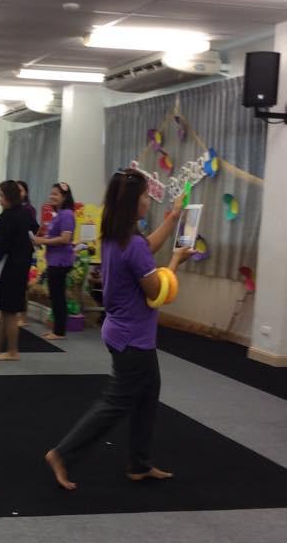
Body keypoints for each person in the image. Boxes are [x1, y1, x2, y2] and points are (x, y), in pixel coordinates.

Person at [45, 168, 191, 490]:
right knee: (117, 402)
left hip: (124, 332)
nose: (148, 201)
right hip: (131, 338)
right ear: (132, 201)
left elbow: (145, 248)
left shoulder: (116, 235)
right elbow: (157, 292)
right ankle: (62, 454)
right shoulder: (131, 242)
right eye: (145, 196)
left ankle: (139, 463)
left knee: (147, 394)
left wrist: (173, 217)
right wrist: (176, 261)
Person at [0, 181, 35, 361]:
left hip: (11, 267)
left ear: (9, 197)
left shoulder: (9, 216)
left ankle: (13, 351)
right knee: (6, 310)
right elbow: (32, 234)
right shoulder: (23, 213)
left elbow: (3, 245)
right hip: (20, 265)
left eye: (1, 196)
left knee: (10, 311)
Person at [35, 182, 77, 340]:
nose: (52, 196)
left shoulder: (66, 214)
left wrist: (43, 241)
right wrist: (41, 239)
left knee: (58, 296)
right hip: (54, 260)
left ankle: (59, 331)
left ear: (64, 197)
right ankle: (58, 329)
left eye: (56, 194)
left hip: (61, 261)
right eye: (51, 193)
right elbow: (56, 236)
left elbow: (65, 238)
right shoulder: (58, 214)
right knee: (55, 295)